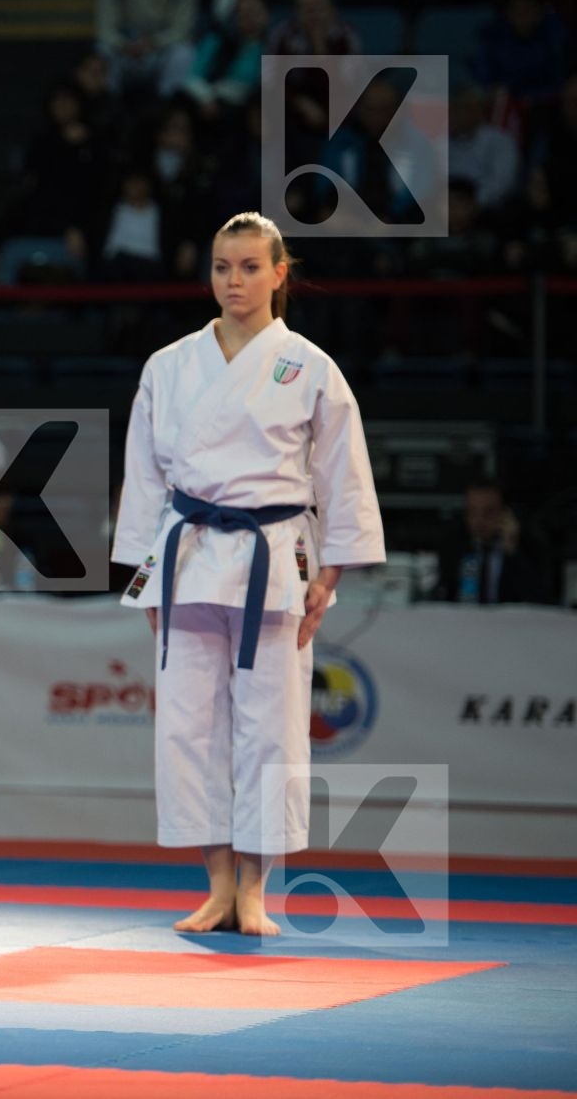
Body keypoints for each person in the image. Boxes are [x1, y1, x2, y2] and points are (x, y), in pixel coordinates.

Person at [112, 211, 385, 936]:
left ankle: (258, 889)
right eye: (222, 267)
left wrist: (332, 571)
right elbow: (143, 479)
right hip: (190, 555)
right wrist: (145, 577)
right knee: (190, 725)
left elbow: (342, 474)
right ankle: (216, 885)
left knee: (272, 725)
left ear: (278, 273)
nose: (234, 281)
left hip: (275, 552)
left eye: (249, 267)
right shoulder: (169, 366)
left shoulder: (310, 367)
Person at [432, 479, 559, 604]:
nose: (479, 520)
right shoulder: (453, 544)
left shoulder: (528, 545)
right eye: (472, 512)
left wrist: (512, 551)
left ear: (505, 513)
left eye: (489, 512)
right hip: (466, 621)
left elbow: (539, 599)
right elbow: (442, 596)